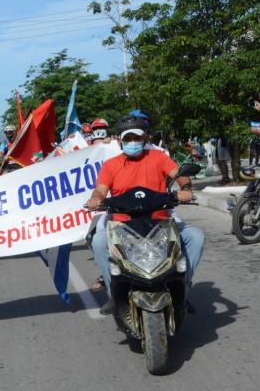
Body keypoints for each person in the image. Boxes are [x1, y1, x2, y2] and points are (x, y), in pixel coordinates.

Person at [86, 115, 204, 315]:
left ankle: (183, 288)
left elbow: (179, 174)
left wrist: (186, 188)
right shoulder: (111, 165)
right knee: (98, 241)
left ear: (145, 139)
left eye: (137, 138)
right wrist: (95, 199)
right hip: (121, 223)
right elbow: (100, 190)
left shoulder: (158, 158)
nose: (133, 142)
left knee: (195, 237)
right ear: (120, 140)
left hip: (160, 219)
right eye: (128, 138)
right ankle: (114, 294)